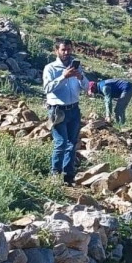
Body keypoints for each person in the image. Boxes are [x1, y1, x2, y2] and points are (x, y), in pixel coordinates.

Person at [43, 38, 89, 185]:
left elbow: (87, 86)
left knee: (72, 143)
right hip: (58, 111)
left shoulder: (76, 67)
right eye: (63, 50)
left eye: (69, 49)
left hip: (74, 109)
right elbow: (47, 88)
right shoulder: (50, 68)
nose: (66, 52)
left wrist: (79, 76)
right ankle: (55, 174)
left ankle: (68, 176)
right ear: (56, 51)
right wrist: (64, 77)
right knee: (61, 143)